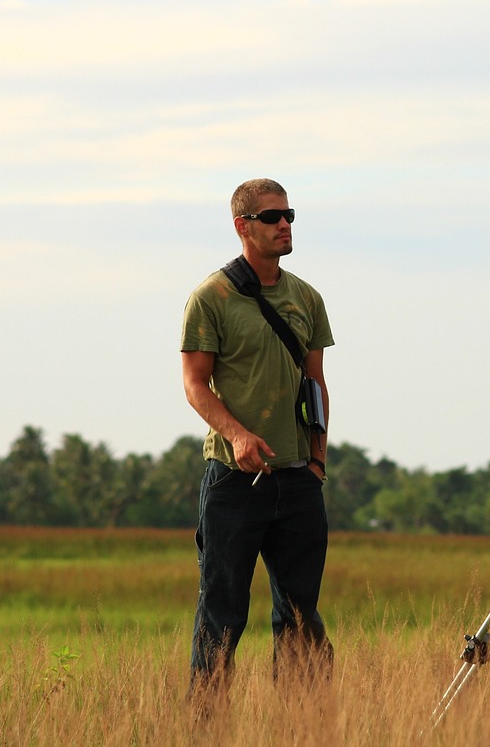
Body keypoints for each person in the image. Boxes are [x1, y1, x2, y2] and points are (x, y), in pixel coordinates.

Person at [180, 178, 334, 693]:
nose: (284, 224)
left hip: (297, 482)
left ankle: (301, 729)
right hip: (233, 481)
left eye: (289, 214)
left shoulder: (306, 298)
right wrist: (238, 435)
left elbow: (315, 383)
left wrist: (317, 462)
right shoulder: (212, 297)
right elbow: (195, 385)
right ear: (242, 226)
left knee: (300, 617)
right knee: (222, 613)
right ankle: (206, 727)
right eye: (272, 217)